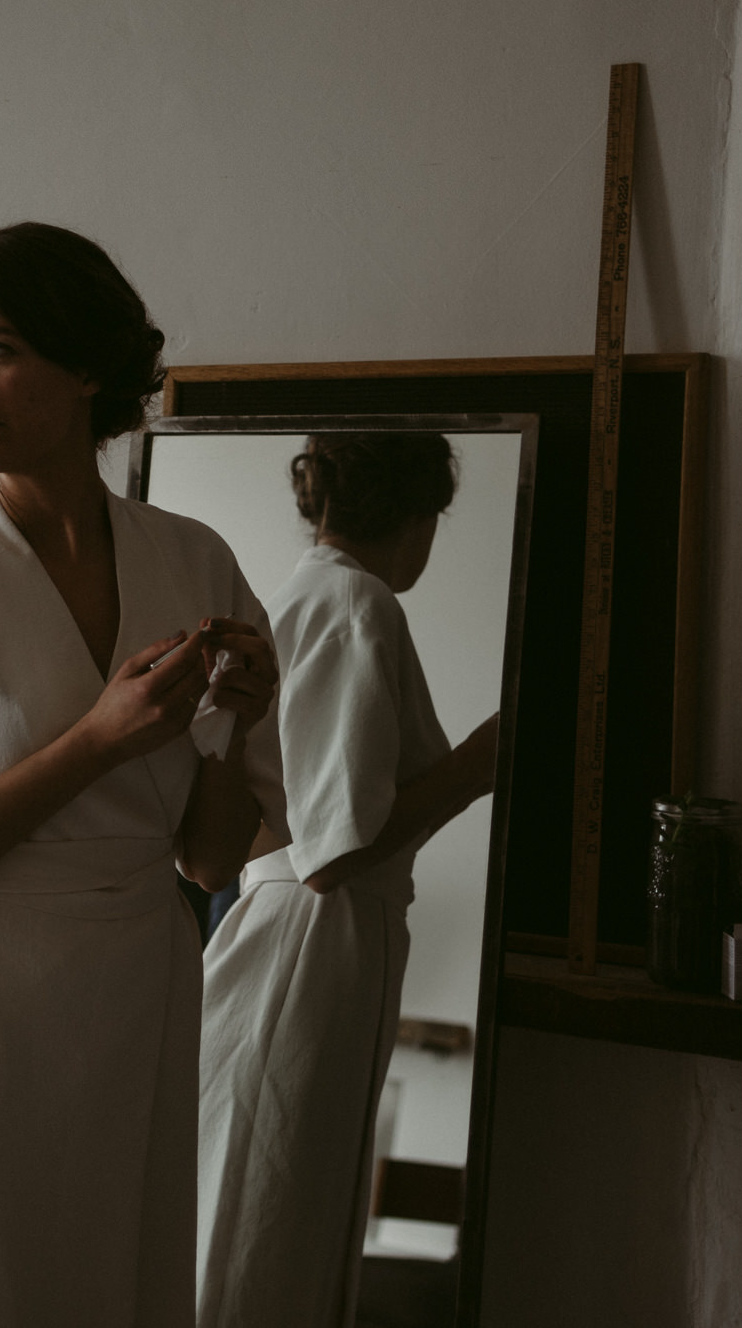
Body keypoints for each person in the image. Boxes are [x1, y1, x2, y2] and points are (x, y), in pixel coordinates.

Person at [0, 222, 290, 1328]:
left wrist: (238, 722)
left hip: (140, 996)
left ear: (86, 366)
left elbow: (209, 855)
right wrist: (93, 741)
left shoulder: (193, 558)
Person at [194, 433, 499, 1328]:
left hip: (293, 930)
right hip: (311, 941)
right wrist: (479, 763)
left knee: (256, 1205)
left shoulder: (298, 597)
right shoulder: (356, 602)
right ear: (415, 516)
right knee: (270, 1218)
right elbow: (333, 853)